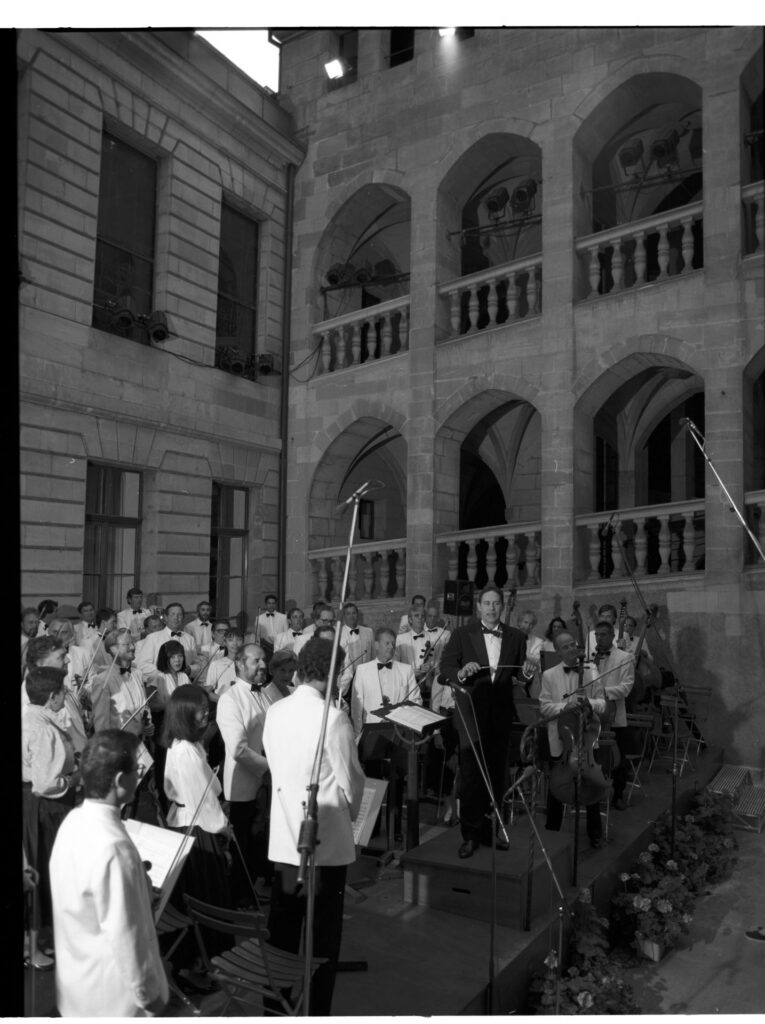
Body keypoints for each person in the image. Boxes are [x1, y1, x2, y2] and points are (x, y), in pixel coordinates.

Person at [263, 637, 365, 1016]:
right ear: (332, 674)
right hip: (325, 841)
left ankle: (275, 1008)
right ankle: (317, 1010)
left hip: (286, 836)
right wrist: (351, 814)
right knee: (323, 936)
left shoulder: (276, 711)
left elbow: (274, 765)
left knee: (284, 931)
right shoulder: (333, 717)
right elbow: (350, 780)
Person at [49, 729, 168, 1017]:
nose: (140, 775)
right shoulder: (114, 847)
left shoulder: (73, 822)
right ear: (119, 781)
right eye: (137, 770)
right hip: (114, 1000)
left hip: (76, 986)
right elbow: (128, 936)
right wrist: (150, 996)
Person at [439, 585, 526, 858]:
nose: (491, 608)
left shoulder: (516, 637)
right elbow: (446, 669)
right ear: (478, 607)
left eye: (496, 603)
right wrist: (462, 672)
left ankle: (491, 830)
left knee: (497, 775)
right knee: (471, 776)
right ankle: (470, 834)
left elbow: (522, 675)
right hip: (470, 716)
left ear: (503, 607)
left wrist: (529, 673)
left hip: (500, 715)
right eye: (486, 603)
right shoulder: (462, 634)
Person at [162, 685, 232, 970]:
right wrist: (224, 827)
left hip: (188, 824)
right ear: (185, 714)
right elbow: (202, 802)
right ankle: (204, 959)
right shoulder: (187, 752)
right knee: (206, 894)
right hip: (197, 829)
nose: (207, 713)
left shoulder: (185, 745)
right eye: (201, 709)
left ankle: (198, 959)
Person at [22, 666, 81, 960]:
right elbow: (47, 783)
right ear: (51, 697)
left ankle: (38, 939)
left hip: (35, 803)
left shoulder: (32, 716)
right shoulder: (44, 729)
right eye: (62, 691)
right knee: (48, 869)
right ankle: (38, 942)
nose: (65, 695)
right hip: (47, 807)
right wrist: (75, 778)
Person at [216, 642, 275, 904]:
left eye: (263, 660)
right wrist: (268, 769)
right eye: (256, 661)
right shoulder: (230, 699)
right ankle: (238, 898)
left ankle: (249, 892)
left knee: (256, 844)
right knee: (242, 844)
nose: (262, 665)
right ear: (240, 664)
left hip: (263, 783)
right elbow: (238, 749)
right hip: (242, 785)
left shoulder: (265, 694)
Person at [351, 628, 420, 843]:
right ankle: (370, 828)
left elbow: (416, 700)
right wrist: (358, 735)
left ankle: (395, 827)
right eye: (387, 643)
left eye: (393, 644)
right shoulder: (362, 670)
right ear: (377, 645)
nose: (391, 647)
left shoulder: (406, 669)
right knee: (372, 780)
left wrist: (403, 721)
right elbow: (357, 705)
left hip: (398, 733)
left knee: (397, 782)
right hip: (372, 734)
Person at [539, 630, 605, 848]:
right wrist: (565, 707)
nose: (571, 649)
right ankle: (552, 831)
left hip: (586, 737)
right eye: (565, 646)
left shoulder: (591, 670)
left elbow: (602, 704)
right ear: (558, 652)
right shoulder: (549, 675)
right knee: (557, 784)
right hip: (561, 738)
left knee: (591, 781)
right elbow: (545, 707)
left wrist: (588, 702)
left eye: (573, 644)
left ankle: (595, 833)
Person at [589, 619, 635, 810]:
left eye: (604, 634)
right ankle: (592, 791)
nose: (599, 638)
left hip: (614, 716)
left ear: (613, 636)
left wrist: (603, 693)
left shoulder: (624, 657)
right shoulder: (591, 658)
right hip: (594, 716)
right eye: (597, 635)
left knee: (619, 759)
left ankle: (618, 794)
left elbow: (626, 687)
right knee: (592, 755)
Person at [87, 628, 155, 739]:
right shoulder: (102, 680)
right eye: (127, 644)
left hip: (141, 742)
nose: (133, 647)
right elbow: (101, 723)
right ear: (113, 649)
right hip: (118, 744)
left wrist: (148, 723)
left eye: (132, 643)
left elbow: (144, 705)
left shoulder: (137, 673)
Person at [135, 602, 198, 678]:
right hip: (161, 684)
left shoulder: (189, 639)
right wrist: (166, 672)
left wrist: (190, 669)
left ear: (183, 618)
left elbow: (196, 664)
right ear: (165, 617)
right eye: (172, 614)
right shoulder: (152, 638)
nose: (176, 618)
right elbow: (142, 665)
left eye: (179, 615)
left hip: (184, 684)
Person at [517, 609, 544, 698]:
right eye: (525, 622)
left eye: (531, 624)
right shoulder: (510, 638)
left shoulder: (538, 642)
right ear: (519, 623)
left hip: (530, 679)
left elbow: (536, 661)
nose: (528, 626)